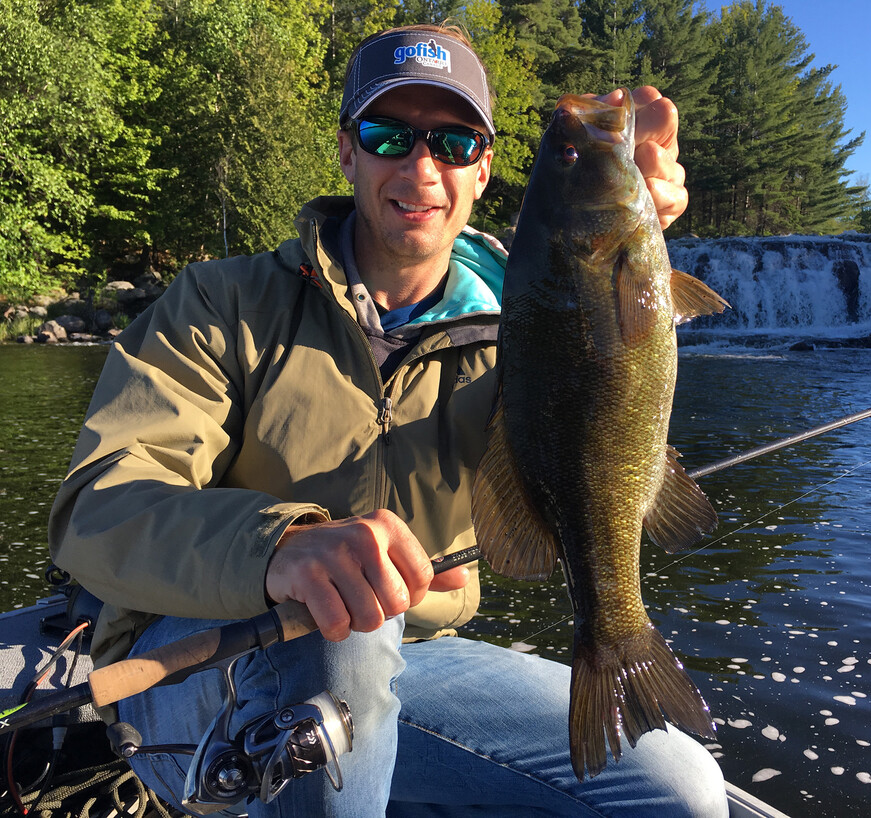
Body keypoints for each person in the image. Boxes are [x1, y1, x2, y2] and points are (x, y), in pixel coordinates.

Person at [49, 23, 727, 817]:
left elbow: (607, 388)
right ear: (347, 152)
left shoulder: (528, 331)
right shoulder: (220, 302)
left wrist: (639, 234)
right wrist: (281, 548)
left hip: (410, 662)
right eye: (388, 135)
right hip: (193, 667)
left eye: (452, 142)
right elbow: (97, 509)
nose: (420, 166)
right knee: (344, 634)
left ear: (485, 170)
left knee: (677, 790)